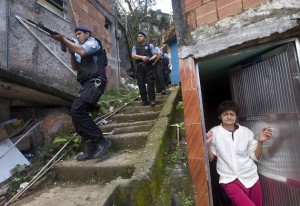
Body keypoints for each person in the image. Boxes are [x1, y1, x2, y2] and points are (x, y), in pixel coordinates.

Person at [51, 26, 111, 161]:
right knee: (76, 114)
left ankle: (101, 141)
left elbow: (83, 52)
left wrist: (62, 39)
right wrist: (72, 53)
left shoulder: (93, 43)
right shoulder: (80, 49)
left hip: (95, 82)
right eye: (76, 35)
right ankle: (92, 148)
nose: (77, 37)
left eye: (79, 34)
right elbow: (75, 67)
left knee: (77, 110)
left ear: (87, 34)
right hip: (87, 84)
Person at [206, 100, 272, 206]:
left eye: (232, 114)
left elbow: (256, 157)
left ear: (236, 117)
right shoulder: (214, 133)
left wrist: (260, 142)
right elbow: (211, 158)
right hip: (229, 180)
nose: (229, 117)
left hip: (251, 177)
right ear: (220, 116)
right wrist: (207, 145)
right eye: (225, 114)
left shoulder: (246, 132)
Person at [131, 31, 157, 106]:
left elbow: (155, 54)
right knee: (141, 84)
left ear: (144, 37)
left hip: (149, 66)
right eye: (138, 36)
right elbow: (133, 55)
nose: (139, 37)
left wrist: (150, 59)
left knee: (150, 83)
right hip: (139, 67)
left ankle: (152, 100)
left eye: (141, 36)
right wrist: (142, 57)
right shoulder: (135, 46)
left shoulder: (150, 45)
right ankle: (144, 100)